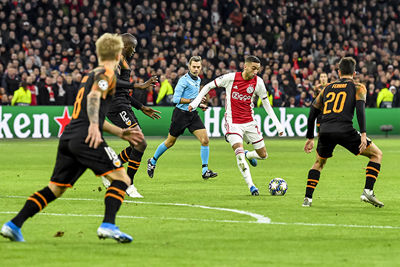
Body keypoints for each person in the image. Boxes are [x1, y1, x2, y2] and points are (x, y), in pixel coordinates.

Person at [1, 33, 144, 243]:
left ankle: (13, 224)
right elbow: (95, 98)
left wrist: (120, 132)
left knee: (55, 189)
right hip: (86, 135)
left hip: (70, 135)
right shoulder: (106, 74)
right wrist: (94, 127)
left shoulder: (90, 74)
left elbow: (89, 109)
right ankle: (108, 225)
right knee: (122, 178)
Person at [189, 56, 284, 195]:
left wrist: (277, 124)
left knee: (263, 155)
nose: (256, 72)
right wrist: (196, 102)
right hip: (232, 122)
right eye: (253, 68)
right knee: (238, 154)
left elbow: (266, 104)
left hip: (250, 122)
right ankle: (251, 186)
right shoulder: (231, 78)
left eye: (258, 69)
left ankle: (249, 155)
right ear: (245, 67)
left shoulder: (258, 82)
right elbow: (209, 86)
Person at [303, 57, 384, 208]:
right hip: (345, 130)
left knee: (319, 163)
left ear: (339, 72)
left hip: (325, 130)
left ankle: (307, 199)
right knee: (376, 154)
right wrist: (364, 134)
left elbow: (313, 111)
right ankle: (368, 191)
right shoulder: (358, 87)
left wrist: (310, 137)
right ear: (354, 73)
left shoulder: (327, 87)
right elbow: (360, 110)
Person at [104, 33, 160, 198]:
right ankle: (127, 184)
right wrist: (138, 85)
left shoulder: (122, 60)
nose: (134, 51)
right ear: (124, 46)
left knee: (138, 144)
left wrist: (141, 107)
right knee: (140, 143)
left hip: (123, 104)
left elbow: (122, 92)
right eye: (133, 47)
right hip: (116, 106)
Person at [147, 56, 218, 180]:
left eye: (198, 67)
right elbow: (175, 99)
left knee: (205, 140)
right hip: (180, 115)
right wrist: (193, 100)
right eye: (194, 67)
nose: (196, 69)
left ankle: (205, 170)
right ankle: (152, 161)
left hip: (192, 114)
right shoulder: (183, 80)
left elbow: (192, 99)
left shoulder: (198, 80)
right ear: (189, 67)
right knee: (170, 142)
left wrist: (199, 104)